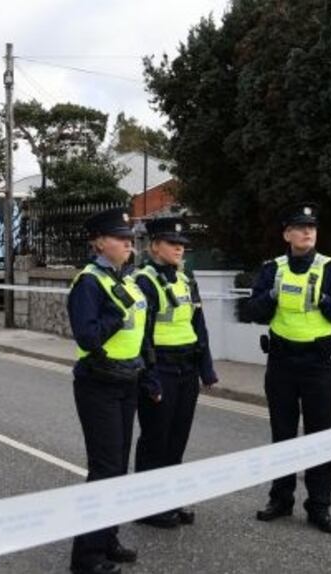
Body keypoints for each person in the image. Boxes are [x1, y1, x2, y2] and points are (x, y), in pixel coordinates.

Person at [243, 201, 331, 533]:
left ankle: (319, 506)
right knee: (283, 434)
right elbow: (253, 312)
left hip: (318, 365)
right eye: (300, 227)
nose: (307, 232)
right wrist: (272, 296)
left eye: (312, 227)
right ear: (287, 234)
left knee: (320, 437)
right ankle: (281, 499)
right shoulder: (272, 269)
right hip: (281, 363)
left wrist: (322, 298)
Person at [68, 207, 148, 574]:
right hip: (98, 381)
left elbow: (140, 333)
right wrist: (119, 314)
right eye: (120, 238)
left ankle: (108, 539)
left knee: (118, 467)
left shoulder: (128, 279)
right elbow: (87, 334)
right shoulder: (89, 282)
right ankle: (86, 558)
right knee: (104, 469)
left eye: (130, 239)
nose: (128, 244)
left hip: (127, 380)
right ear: (100, 242)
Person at [132, 217, 218, 529]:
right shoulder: (144, 281)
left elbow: (199, 326)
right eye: (172, 243)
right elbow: (140, 334)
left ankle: (168, 499)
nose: (179, 248)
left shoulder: (186, 281)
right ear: (154, 246)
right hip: (161, 368)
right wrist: (149, 376)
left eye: (182, 244)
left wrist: (206, 369)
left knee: (177, 439)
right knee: (156, 439)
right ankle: (146, 505)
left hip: (187, 369)